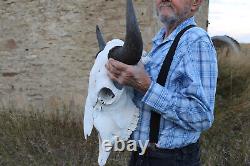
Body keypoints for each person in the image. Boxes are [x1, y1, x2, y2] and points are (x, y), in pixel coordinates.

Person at [105, 0, 218, 165]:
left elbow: (201, 116)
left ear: (195, 3)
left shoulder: (196, 40)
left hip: (170, 159)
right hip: (141, 154)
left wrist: (146, 86)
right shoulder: (160, 41)